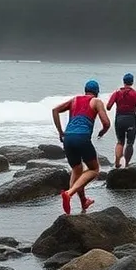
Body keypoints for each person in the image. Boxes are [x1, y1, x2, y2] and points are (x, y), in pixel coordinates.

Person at [51, 80, 111, 214]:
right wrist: (102, 132)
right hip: (82, 138)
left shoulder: (74, 100)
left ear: (85, 90)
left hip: (68, 138)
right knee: (94, 169)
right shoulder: (96, 101)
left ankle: (83, 202)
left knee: (77, 169)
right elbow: (106, 123)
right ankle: (69, 193)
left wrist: (61, 132)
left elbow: (55, 110)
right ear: (96, 92)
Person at [106, 73, 136, 168]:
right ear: (132, 82)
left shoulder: (116, 93)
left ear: (123, 82)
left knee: (120, 142)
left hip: (119, 118)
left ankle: (117, 162)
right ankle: (127, 164)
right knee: (130, 143)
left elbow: (108, 107)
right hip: (131, 119)